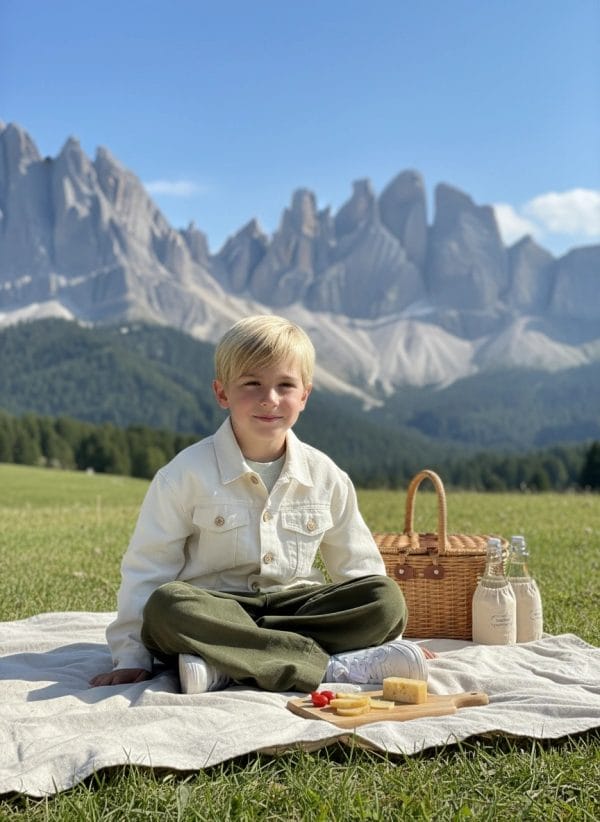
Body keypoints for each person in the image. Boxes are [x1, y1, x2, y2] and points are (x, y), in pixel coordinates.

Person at [91, 315, 431, 694]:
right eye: (252, 384)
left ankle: (225, 665)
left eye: (285, 385)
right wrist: (131, 658)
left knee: (384, 599)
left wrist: (392, 639)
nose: (270, 399)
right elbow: (146, 570)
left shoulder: (327, 476)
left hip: (297, 609)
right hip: (215, 611)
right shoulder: (183, 475)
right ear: (222, 393)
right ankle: (329, 669)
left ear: (305, 395)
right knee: (167, 607)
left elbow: (357, 565)